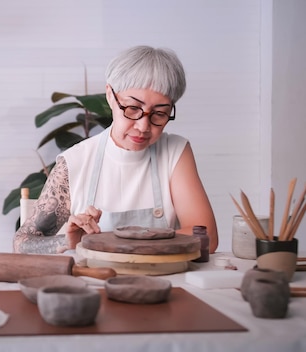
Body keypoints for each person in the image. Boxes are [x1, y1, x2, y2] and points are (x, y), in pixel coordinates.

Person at [13, 45, 218, 255]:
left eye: (159, 114)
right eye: (133, 109)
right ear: (110, 96)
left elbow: (206, 237)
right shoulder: (75, 162)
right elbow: (23, 243)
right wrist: (67, 242)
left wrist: (114, 243)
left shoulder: (175, 152)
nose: (143, 126)